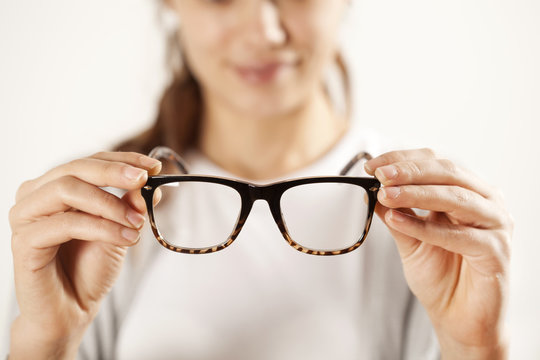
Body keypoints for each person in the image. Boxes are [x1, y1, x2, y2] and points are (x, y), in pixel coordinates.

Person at [7, 0, 513, 359]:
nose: (266, 31)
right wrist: (44, 342)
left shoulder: (427, 219)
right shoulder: (99, 209)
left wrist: (477, 348)